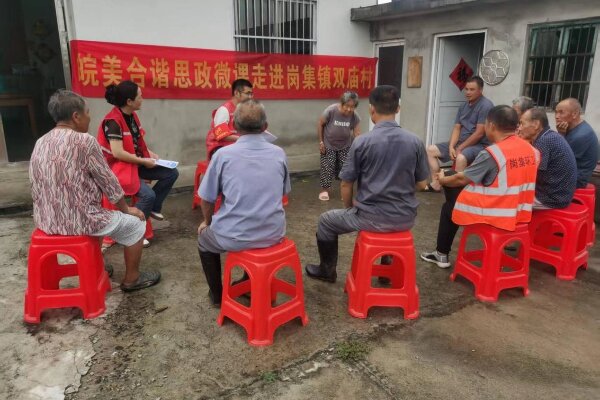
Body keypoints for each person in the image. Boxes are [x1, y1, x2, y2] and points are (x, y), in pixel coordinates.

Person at [30, 90, 160, 292]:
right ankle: (132, 278)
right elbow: (109, 182)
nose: (90, 117)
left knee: (98, 214)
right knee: (136, 224)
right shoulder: (85, 141)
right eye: (87, 112)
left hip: (46, 220)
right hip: (80, 221)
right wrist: (126, 209)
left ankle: (97, 265)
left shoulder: (41, 141)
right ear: (76, 116)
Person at [304, 85, 429, 283]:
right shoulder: (415, 142)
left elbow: (346, 185)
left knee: (326, 221)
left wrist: (350, 209)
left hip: (370, 217)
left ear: (371, 109)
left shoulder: (362, 142)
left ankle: (327, 271)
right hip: (405, 218)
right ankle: (386, 272)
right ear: (398, 109)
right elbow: (422, 184)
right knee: (390, 230)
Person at [197, 99, 291, 306]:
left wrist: (207, 222)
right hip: (273, 233)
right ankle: (248, 283)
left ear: (235, 127)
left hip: (235, 235)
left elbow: (207, 199)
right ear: (265, 127)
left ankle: (217, 295)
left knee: (204, 239)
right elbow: (284, 192)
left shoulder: (222, 155)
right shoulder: (279, 153)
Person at [421, 105, 538, 268]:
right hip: (520, 211)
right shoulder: (531, 149)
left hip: (498, 213)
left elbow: (461, 179)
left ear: (491, 126)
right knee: (451, 181)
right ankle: (441, 252)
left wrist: (441, 180)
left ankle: (441, 254)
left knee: (449, 204)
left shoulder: (493, 153)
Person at [97, 81, 179, 244]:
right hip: (117, 169)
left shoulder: (132, 116)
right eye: (140, 96)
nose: (142, 99)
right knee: (148, 195)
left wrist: (150, 154)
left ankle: (154, 208)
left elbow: (137, 142)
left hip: (133, 165)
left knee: (171, 173)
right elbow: (118, 153)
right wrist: (143, 160)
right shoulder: (113, 122)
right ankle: (133, 232)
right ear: (129, 101)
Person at [426, 76, 494, 192]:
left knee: (461, 158)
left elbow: (479, 133)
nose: (468, 92)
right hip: (461, 143)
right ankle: (437, 184)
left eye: (472, 89)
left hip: (478, 145)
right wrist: (451, 146)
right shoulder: (463, 106)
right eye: (466, 89)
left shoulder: (486, 105)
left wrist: (460, 148)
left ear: (480, 90)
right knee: (430, 150)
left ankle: (456, 192)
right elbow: (457, 127)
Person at [518, 107, 577, 209]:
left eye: (522, 124)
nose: (519, 128)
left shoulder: (543, 141)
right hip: (560, 195)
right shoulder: (549, 135)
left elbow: (532, 174)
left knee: (509, 200)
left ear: (536, 124)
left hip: (551, 199)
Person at [317, 91, 362, 201]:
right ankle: (324, 190)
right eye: (347, 106)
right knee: (327, 167)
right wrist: (321, 142)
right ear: (342, 103)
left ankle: (344, 192)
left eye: (352, 107)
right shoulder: (331, 110)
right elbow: (320, 124)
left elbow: (357, 133)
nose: (349, 109)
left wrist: (358, 147)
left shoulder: (354, 116)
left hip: (345, 146)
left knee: (345, 169)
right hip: (329, 144)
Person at [555, 98, 599, 188]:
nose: (556, 116)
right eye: (556, 112)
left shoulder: (581, 135)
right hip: (569, 173)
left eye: (561, 112)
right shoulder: (573, 128)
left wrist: (561, 135)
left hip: (576, 179)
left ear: (574, 114)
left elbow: (559, 160)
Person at [205, 79, 254, 159]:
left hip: (236, 146)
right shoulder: (224, 109)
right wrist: (243, 139)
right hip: (219, 147)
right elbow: (220, 134)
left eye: (251, 94)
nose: (250, 97)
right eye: (247, 93)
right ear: (236, 93)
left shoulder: (244, 109)